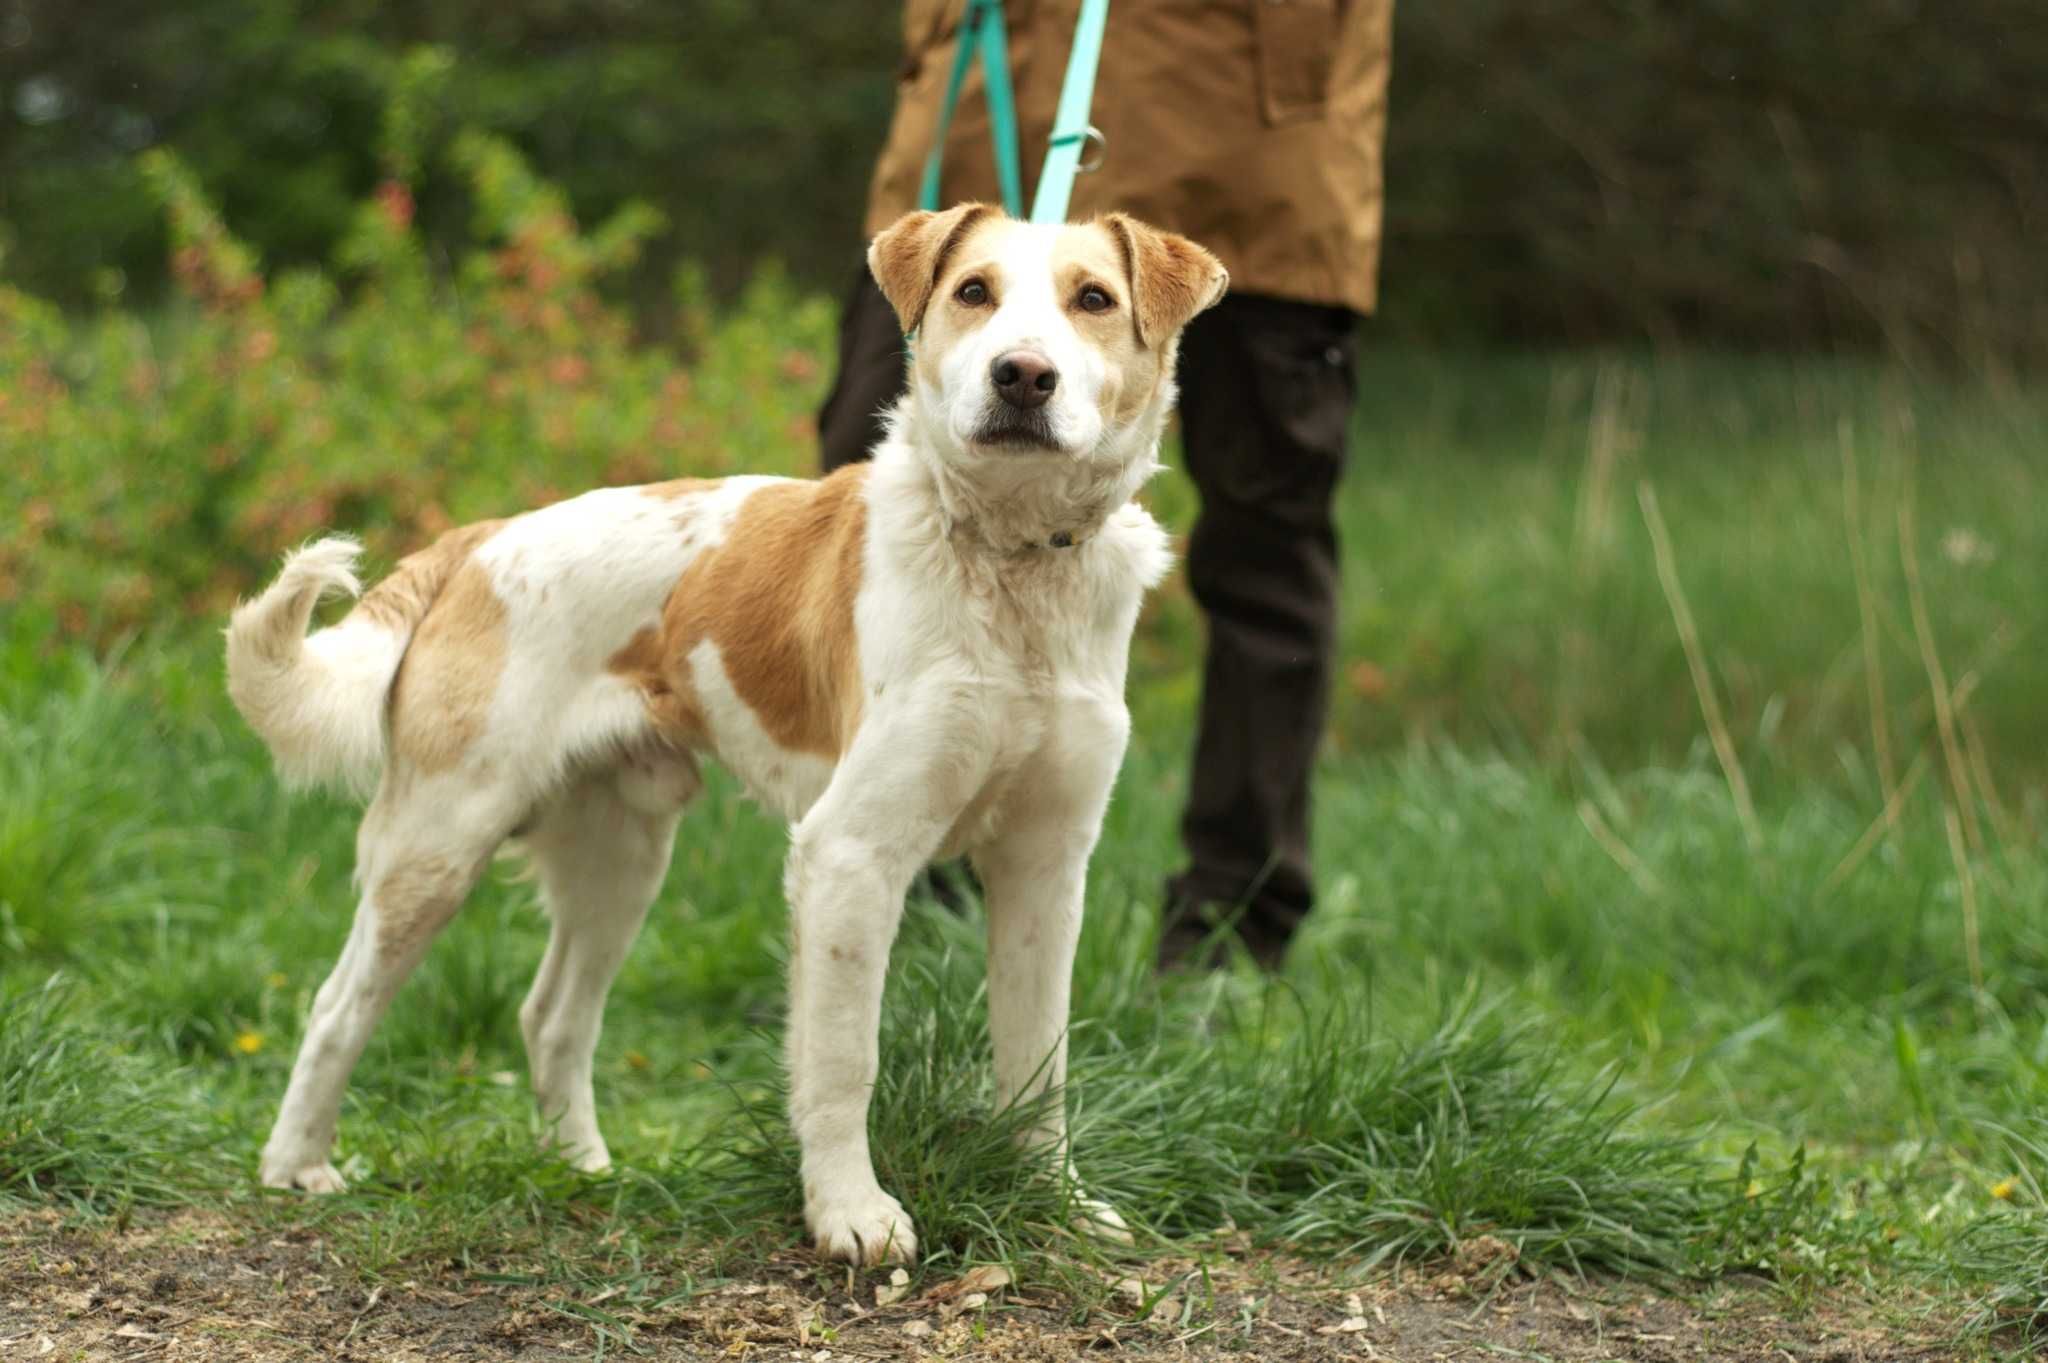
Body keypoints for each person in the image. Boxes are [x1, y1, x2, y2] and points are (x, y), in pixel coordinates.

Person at [817, 0, 1394, 969]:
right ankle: (897, 911)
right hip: (970, 131)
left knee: (1262, 549)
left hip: (1242, 157)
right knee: (855, 513)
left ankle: (1231, 928)